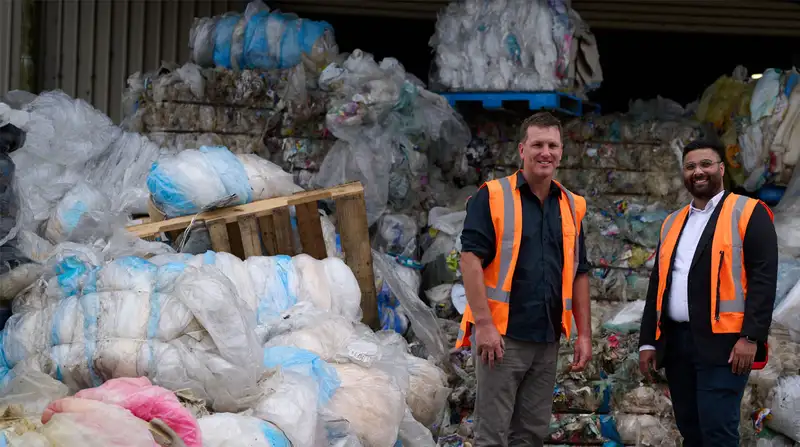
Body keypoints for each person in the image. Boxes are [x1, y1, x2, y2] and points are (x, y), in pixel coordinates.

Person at [457, 112, 592, 447]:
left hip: (547, 340)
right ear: (522, 149)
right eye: (537, 145)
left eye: (552, 145)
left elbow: (579, 272)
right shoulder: (493, 196)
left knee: (531, 435)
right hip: (502, 340)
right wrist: (484, 325)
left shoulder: (572, 206)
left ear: (561, 152)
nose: (545, 152)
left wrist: (584, 334)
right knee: (492, 435)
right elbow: (470, 259)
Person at [638, 140, 778, 447]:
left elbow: (764, 280)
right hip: (677, 343)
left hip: (726, 346)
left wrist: (751, 337)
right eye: (690, 167)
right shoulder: (672, 222)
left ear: (721, 169)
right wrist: (648, 340)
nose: (698, 172)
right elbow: (658, 285)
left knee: (717, 432)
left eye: (705, 164)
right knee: (691, 429)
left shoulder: (749, 212)